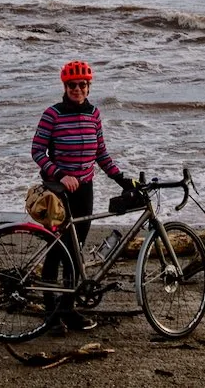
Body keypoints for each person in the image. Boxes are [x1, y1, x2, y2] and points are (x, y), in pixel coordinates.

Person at [30, 59, 136, 332]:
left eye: (82, 85)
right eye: (72, 85)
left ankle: (68, 308)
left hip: (85, 190)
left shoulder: (94, 115)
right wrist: (59, 174)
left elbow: (101, 154)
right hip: (58, 192)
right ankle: (51, 313)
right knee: (57, 250)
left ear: (89, 87)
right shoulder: (52, 115)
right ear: (65, 87)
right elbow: (38, 151)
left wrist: (121, 178)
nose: (77, 89)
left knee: (75, 252)